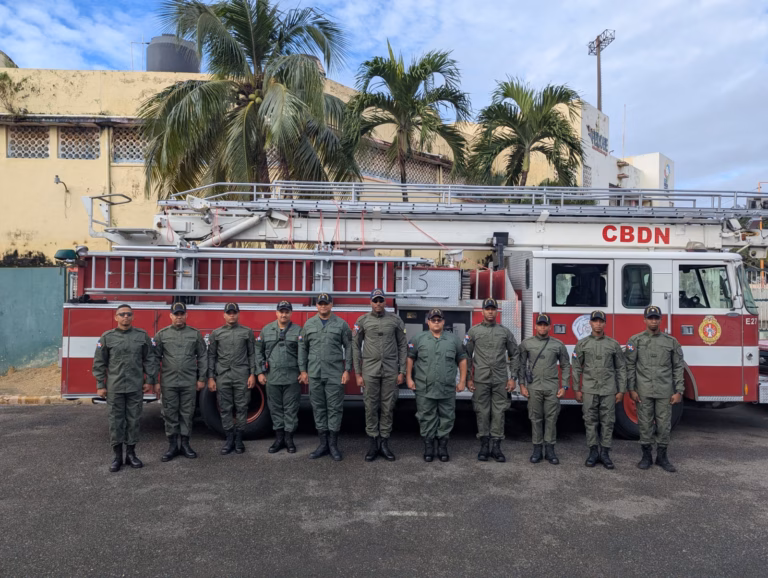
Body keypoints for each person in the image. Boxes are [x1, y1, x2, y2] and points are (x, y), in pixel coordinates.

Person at [92, 304, 155, 472]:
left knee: (134, 421)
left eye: (128, 314)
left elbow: (149, 359)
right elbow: (99, 362)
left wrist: (149, 380)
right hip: (115, 387)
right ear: (116, 317)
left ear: (133, 317)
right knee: (116, 422)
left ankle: (131, 455)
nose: (125, 316)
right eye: (122, 314)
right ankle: (117, 456)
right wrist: (100, 385)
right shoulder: (107, 337)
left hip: (135, 387)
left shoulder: (141, 336)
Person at [625, 305, 684, 472]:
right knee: (645, 424)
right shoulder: (635, 341)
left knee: (664, 425)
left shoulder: (671, 342)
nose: (653, 321)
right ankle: (646, 456)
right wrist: (631, 389)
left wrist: (679, 391)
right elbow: (630, 366)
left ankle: (662, 457)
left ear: (660, 320)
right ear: (644, 320)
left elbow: (678, 367)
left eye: (656, 318)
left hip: (664, 391)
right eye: (650, 318)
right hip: (643, 391)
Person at [352, 288, 407, 462]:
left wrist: (402, 371)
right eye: (375, 300)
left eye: (381, 300)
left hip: (390, 370)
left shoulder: (395, 320)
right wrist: (358, 373)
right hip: (370, 370)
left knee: (388, 406)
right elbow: (355, 346)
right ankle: (373, 443)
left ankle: (384, 443)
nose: (378, 303)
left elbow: (402, 346)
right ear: (370, 302)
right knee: (370, 406)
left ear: (385, 302)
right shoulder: (362, 321)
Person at [406, 309, 467, 462]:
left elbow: (462, 360)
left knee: (447, 417)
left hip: (447, 387)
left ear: (443, 322)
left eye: (439, 320)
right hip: (424, 387)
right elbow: (410, 358)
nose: (436, 322)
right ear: (428, 322)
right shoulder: (418, 339)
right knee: (426, 417)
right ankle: (429, 447)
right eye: (433, 320)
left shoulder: (453, 340)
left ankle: (442, 447)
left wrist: (462, 381)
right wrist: (408, 378)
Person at [299, 293, 352, 461]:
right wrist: (303, 370)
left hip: (335, 374)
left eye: (326, 303)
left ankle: (333, 445)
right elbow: (303, 348)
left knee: (335, 409)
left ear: (331, 305)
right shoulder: (309, 324)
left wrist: (347, 370)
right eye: (320, 303)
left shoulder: (341, 324)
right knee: (319, 408)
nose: (323, 306)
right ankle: (323, 445)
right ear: (316, 305)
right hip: (315, 374)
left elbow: (349, 347)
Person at [152, 302, 208, 462]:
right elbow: (154, 359)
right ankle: (172, 446)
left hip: (188, 381)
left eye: (181, 314)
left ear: (186, 315)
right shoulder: (162, 335)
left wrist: (201, 378)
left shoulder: (195, 334)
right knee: (170, 413)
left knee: (187, 413)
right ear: (170, 316)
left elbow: (202, 356)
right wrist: (155, 381)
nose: (179, 317)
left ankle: (185, 444)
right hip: (168, 382)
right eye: (176, 314)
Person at [466, 298, 519, 462]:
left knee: (499, 412)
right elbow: (466, 356)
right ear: (482, 311)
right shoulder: (473, 332)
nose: (490, 312)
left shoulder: (505, 332)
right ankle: (484, 446)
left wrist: (513, 378)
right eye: (487, 309)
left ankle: (496, 447)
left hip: (500, 380)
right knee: (482, 411)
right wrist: (468, 378)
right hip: (480, 379)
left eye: (493, 309)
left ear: (497, 311)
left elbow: (515, 354)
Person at [571, 310, 626, 469]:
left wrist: (621, 390)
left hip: (608, 389)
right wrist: (577, 389)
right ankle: (593, 452)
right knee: (590, 421)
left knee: (608, 421)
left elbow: (621, 368)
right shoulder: (582, 344)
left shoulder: (613, 344)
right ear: (590, 323)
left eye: (601, 321)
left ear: (605, 324)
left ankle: (605, 453)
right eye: (595, 321)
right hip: (589, 389)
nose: (598, 324)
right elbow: (576, 367)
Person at [518, 313, 570, 465]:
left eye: (545, 325)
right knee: (535, 419)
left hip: (551, 388)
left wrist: (564, 386)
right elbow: (521, 365)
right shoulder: (526, 344)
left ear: (550, 327)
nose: (542, 327)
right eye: (540, 324)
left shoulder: (558, 345)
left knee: (551, 419)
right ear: (535, 326)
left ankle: (550, 450)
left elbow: (566, 366)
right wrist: (522, 385)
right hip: (534, 387)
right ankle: (537, 449)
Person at [207, 303, 257, 455]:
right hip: (223, 375)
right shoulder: (216, 333)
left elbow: (252, 354)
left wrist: (252, 374)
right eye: (229, 313)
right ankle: (229, 439)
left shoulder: (247, 332)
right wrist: (211, 377)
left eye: (234, 312)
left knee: (242, 407)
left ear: (238, 314)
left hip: (241, 375)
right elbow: (211, 356)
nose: (232, 315)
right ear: (224, 315)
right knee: (225, 407)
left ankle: (239, 439)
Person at [257, 301, 302, 454]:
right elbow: (258, 352)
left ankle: (289, 439)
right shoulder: (266, 330)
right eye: (281, 311)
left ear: (291, 313)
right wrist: (260, 372)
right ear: (276, 313)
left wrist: (303, 371)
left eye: (287, 312)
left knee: (291, 409)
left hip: (292, 377)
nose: (284, 314)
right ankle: (279, 439)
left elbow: (303, 353)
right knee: (275, 409)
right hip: (272, 377)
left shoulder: (298, 330)